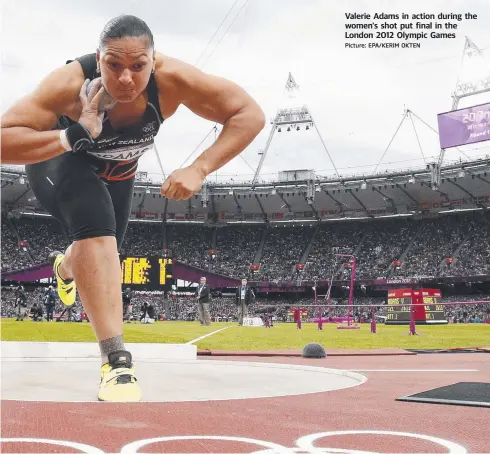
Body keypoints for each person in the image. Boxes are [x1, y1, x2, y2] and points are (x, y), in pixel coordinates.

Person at [1, 15, 265, 402]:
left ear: (153, 62)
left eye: (138, 66)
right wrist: (71, 134)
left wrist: (199, 167)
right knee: (95, 227)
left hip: (120, 175)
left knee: (102, 253)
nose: (126, 78)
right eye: (114, 65)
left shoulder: (173, 80)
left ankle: (65, 265)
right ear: (98, 58)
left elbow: (249, 114)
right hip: (60, 162)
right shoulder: (68, 84)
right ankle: (116, 362)